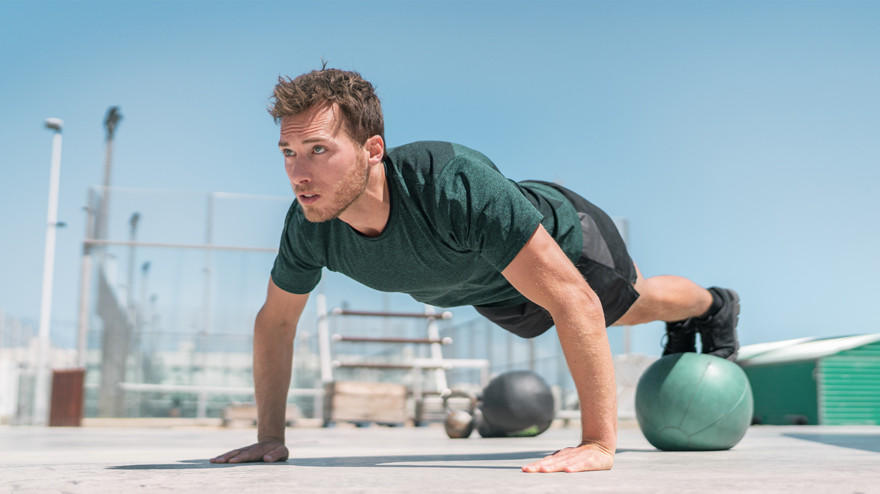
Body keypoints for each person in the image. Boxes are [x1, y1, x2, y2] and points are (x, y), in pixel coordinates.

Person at [210, 68, 740, 473]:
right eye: (288, 152)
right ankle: (699, 310)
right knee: (602, 313)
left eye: (318, 150)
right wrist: (270, 435)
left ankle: (713, 306)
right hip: (489, 284)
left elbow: (574, 300)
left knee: (630, 307)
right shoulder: (310, 224)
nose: (298, 173)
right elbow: (275, 323)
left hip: (562, 239)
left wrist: (598, 444)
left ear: (373, 150)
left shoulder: (449, 185)